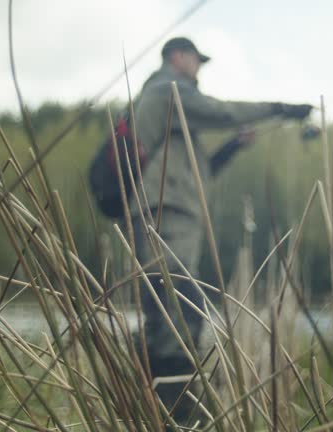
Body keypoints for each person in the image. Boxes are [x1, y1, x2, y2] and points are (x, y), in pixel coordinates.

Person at [127, 36, 312, 423]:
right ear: (177, 56)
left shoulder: (168, 107)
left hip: (173, 212)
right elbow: (222, 111)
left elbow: (198, 170)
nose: (199, 68)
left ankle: (159, 408)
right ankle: (174, 413)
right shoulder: (168, 90)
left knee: (173, 307)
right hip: (168, 213)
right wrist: (279, 108)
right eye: (196, 60)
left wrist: (230, 149)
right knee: (177, 308)